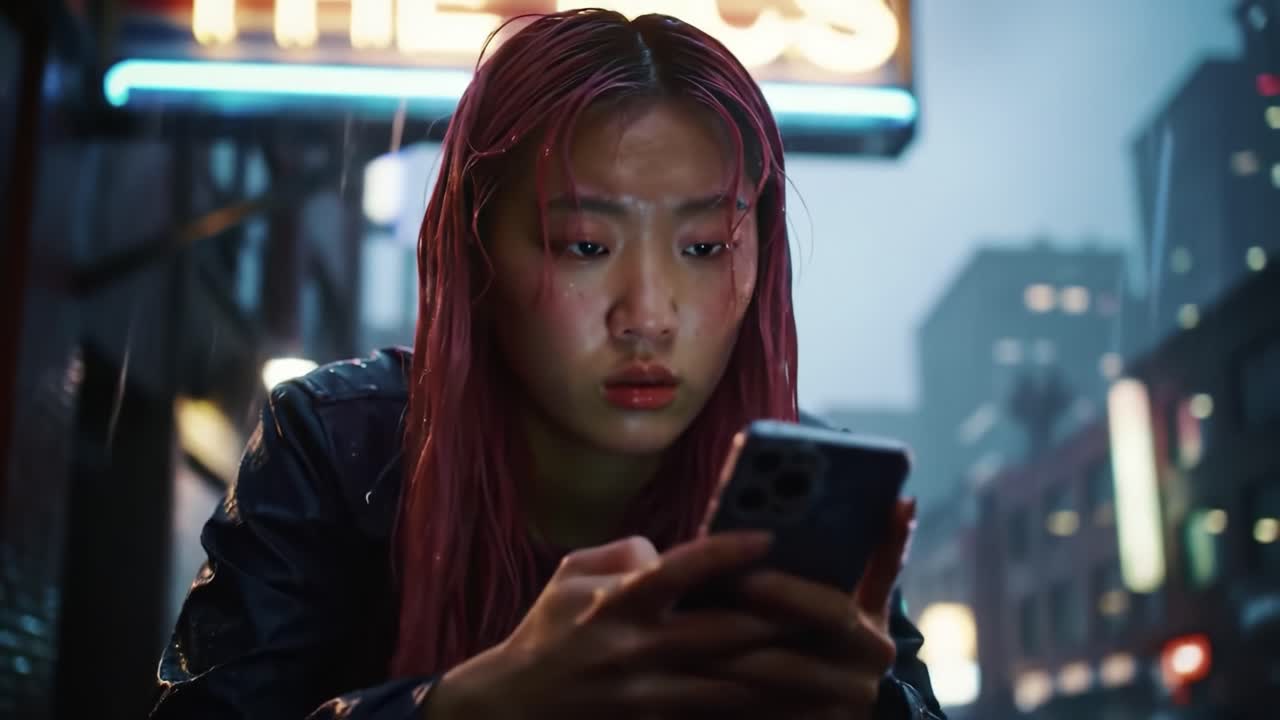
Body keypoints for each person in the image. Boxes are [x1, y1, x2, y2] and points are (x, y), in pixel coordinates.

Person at [151, 9, 945, 720]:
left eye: (705, 248)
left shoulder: (798, 493)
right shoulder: (336, 444)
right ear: (477, 255)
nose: (647, 317)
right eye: (586, 247)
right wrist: (474, 704)